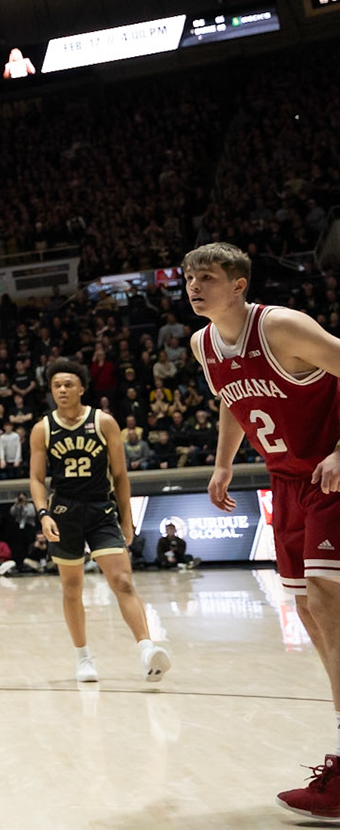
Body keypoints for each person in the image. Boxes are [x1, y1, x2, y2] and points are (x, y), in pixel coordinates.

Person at [186, 243, 340, 817]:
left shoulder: (280, 327)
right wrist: (224, 461)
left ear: (239, 285)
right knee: (310, 614)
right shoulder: (204, 344)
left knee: (326, 602)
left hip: (329, 474)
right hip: (287, 478)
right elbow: (232, 399)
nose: (195, 286)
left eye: (207, 277)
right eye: (189, 278)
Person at [29, 359, 170, 685]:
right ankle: (83, 657)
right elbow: (37, 479)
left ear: (81, 387)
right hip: (63, 512)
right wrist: (43, 513)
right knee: (72, 587)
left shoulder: (104, 422)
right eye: (56, 386)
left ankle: (147, 649)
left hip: (101, 510)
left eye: (67, 384)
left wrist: (127, 519)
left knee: (122, 581)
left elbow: (120, 476)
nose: (62, 390)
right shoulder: (43, 429)